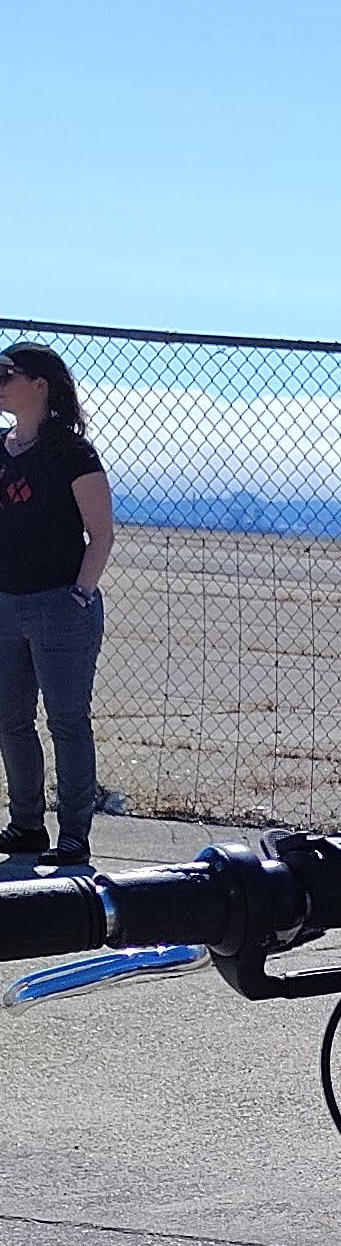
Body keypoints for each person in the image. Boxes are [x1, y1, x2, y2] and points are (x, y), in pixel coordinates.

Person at [0, 341, 117, 869]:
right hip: (5, 605)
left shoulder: (72, 452)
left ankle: (74, 835)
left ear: (39, 385)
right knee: (10, 721)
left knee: (67, 720)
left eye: (6, 374)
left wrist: (78, 596)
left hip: (58, 608)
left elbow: (101, 534)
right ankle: (26, 825)